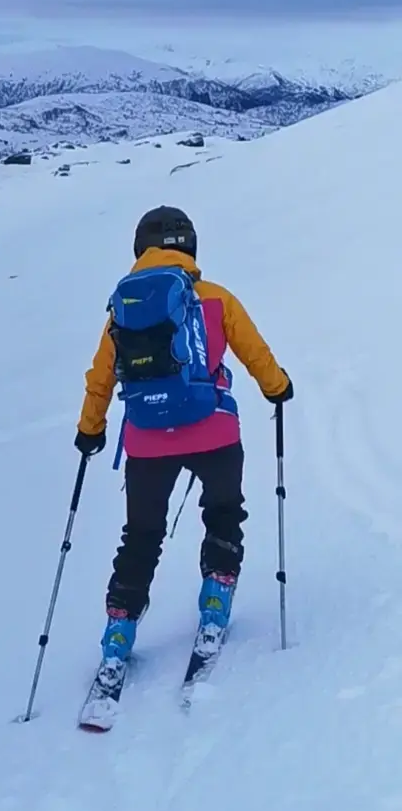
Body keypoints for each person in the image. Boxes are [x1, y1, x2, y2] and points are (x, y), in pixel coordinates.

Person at [75, 205, 293, 668]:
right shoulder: (215, 297)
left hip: (147, 439)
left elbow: (101, 377)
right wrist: (278, 387)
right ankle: (215, 600)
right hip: (213, 430)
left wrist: (90, 431)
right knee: (223, 513)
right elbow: (255, 353)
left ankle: (119, 630)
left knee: (141, 534)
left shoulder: (124, 306)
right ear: (189, 246)